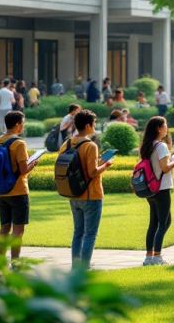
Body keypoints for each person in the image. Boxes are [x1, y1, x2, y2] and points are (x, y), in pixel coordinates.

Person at [65, 110, 113, 269]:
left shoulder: (67, 143)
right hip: (91, 194)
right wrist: (105, 165)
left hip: (73, 193)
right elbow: (92, 172)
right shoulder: (90, 145)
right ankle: (84, 267)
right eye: (94, 123)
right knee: (90, 234)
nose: (95, 126)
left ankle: (76, 266)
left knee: (78, 232)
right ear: (87, 125)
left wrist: (98, 161)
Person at [0, 111, 39, 262]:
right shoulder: (19, 143)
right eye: (23, 123)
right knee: (18, 229)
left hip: (1, 190)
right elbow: (23, 170)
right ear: (17, 124)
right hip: (18, 191)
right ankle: (15, 261)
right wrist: (33, 164)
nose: (23, 126)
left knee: (4, 227)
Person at [142, 116, 174, 265]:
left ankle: (149, 257)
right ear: (159, 128)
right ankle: (157, 256)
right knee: (164, 222)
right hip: (162, 188)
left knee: (154, 223)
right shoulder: (161, 146)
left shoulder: (147, 145)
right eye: (165, 125)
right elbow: (165, 167)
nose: (167, 128)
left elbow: (160, 164)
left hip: (150, 187)